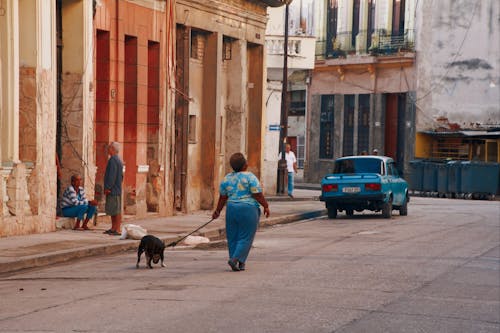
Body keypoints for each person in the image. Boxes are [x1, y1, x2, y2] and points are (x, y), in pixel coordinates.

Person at [212, 153, 270, 272]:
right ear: (245, 165)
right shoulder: (250, 177)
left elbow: (223, 197)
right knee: (246, 236)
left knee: (232, 236)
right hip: (248, 208)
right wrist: (266, 206)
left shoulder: (227, 178)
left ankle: (241, 262)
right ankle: (235, 259)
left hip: (231, 208)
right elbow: (257, 194)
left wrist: (217, 211)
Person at [103, 142, 124, 236]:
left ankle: (117, 228)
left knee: (115, 210)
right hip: (117, 188)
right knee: (114, 209)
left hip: (113, 189)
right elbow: (121, 176)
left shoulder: (113, 160)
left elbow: (111, 175)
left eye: (109, 148)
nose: (108, 149)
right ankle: (114, 228)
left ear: (113, 149)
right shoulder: (118, 160)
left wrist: (108, 187)